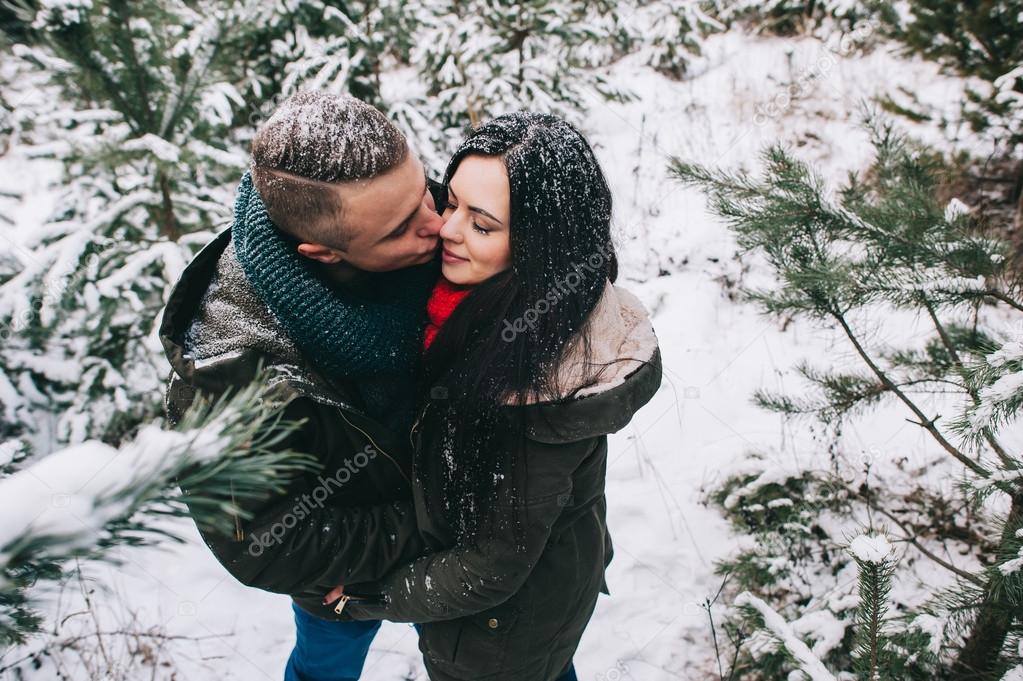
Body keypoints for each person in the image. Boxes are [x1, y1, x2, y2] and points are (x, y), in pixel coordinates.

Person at [332, 112, 663, 681]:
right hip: (505, 585)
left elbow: (492, 565)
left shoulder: (540, 381)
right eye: (451, 201)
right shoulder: (466, 300)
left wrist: (371, 596)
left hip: (503, 629)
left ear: (540, 248)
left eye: (482, 225)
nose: (448, 229)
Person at [159, 90, 444, 681]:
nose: (439, 225)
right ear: (320, 253)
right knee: (324, 670)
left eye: (424, 193)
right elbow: (263, 543)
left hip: (466, 557)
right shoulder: (228, 373)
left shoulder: (434, 215)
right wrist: (443, 522)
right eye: (400, 229)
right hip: (346, 578)